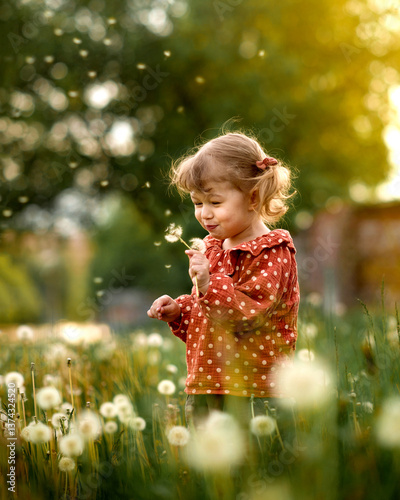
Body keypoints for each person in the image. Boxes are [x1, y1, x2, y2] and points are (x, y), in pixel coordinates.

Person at [147, 132, 300, 428]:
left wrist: (206, 286)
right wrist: (180, 311)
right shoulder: (213, 248)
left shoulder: (272, 252)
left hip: (253, 390)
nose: (204, 214)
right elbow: (211, 316)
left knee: (253, 466)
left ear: (253, 197)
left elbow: (250, 315)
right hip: (208, 382)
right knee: (211, 470)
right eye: (197, 202)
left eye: (215, 201)